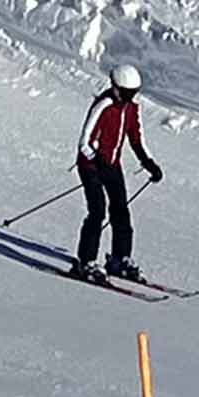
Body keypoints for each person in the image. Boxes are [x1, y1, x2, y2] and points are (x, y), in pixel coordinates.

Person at [68, 64, 164, 284]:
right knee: (97, 211)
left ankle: (119, 260)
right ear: (116, 88)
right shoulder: (104, 104)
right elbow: (84, 142)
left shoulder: (130, 108)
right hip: (90, 165)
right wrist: (96, 159)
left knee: (121, 211)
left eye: (134, 93)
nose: (130, 97)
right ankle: (86, 262)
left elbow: (136, 139)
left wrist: (149, 164)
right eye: (128, 93)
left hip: (111, 165)